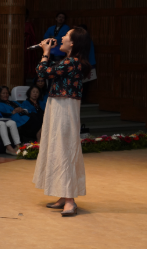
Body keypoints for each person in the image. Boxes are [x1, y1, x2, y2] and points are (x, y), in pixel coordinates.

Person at [32, 27, 91, 217]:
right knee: (57, 148)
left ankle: (70, 200)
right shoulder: (69, 61)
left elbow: (42, 71)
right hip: (58, 105)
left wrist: (45, 52)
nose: (61, 38)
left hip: (65, 108)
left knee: (65, 149)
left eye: (65, 36)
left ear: (72, 43)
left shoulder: (72, 62)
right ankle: (63, 196)